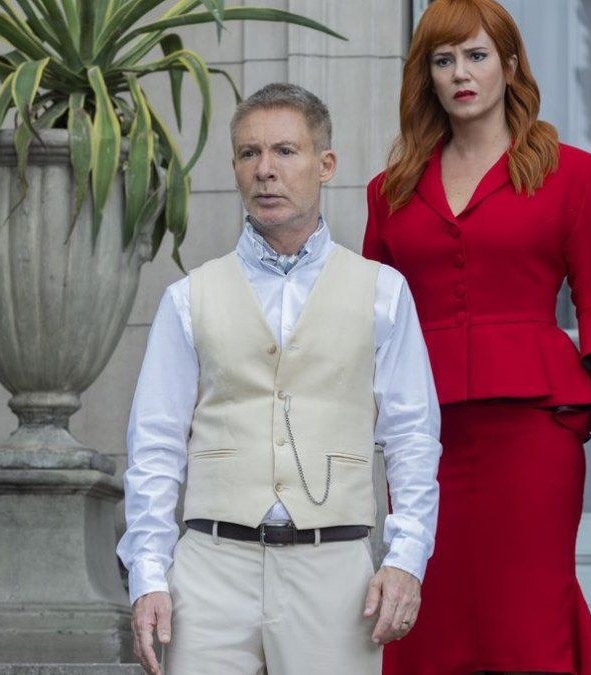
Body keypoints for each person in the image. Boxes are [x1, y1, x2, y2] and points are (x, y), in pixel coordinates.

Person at [363, 1, 591, 673]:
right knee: (428, 613)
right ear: (427, 76)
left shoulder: (572, 174)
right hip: (422, 436)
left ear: (510, 64)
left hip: (533, 432)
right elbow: (372, 322)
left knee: (528, 613)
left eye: (476, 56)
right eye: (443, 61)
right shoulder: (390, 191)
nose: (460, 74)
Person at [117, 82, 442, 675]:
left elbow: (412, 437)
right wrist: (148, 573)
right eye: (249, 153)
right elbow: (155, 446)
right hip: (210, 567)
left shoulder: (383, 292)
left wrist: (406, 558)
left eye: (285, 151)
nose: (265, 170)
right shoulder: (188, 298)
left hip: (335, 569)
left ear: (326, 165)